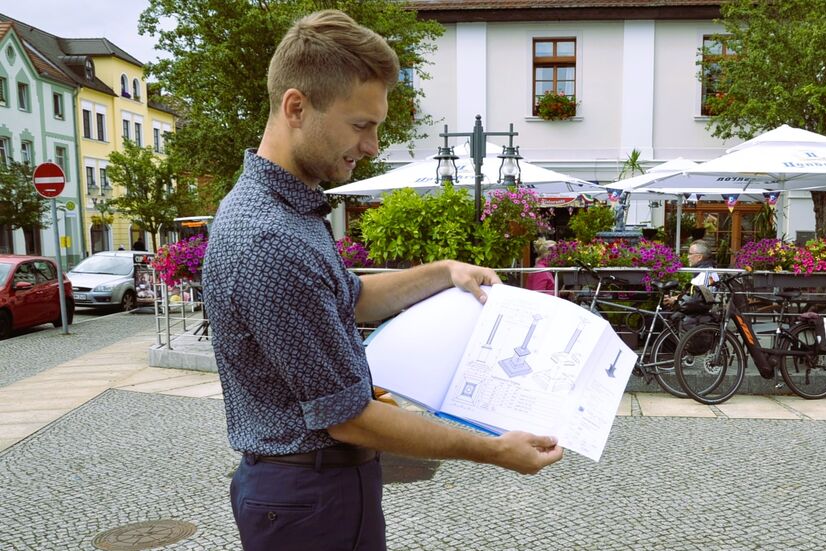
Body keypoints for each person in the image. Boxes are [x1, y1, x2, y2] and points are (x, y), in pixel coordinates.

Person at [201, 10, 562, 550]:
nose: (371, 146)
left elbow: (355, 298)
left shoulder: (288, 212)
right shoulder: (269, 238)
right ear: (296, 107)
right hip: (310, 495)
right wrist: (494, 449)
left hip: (311, 489)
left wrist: (445, 272)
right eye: (361, 125)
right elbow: (349, 419)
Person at [664, 239, 718, 306]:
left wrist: (675, 300)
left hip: (697, 313)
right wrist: (674, 298)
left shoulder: (705, 274)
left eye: (690, 254)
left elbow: (698, 299)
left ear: (699, 257)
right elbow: (692, 294)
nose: (688, 257)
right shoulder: (703, 271)